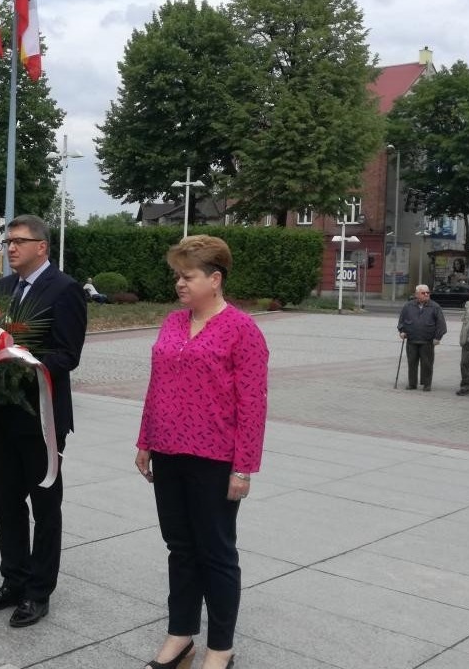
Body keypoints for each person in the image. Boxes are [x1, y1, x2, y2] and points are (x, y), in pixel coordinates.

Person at [135, 235, 268, 669]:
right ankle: (181, 637)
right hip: (168, 451)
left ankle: (221, 648)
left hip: (215, 458)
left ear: (215, 279)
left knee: (216, 552)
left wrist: (243, 468)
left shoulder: (242, 329)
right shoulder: (173, 322)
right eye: (177, 275)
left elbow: (253, 403)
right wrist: (145, 440)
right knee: (179, 547)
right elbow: (157, 385)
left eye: (188, 276)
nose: (179, 283)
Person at [0, 214, 87, 628]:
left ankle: (38, 592)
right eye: (8, 242)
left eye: (19, 241)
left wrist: (22, 363)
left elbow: (68, 354)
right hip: (5, 412)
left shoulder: (65, 289)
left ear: (42, 247)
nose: (11, 248)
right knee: (6, 502)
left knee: (45, 506)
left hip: (42, 416)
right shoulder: (4, 288)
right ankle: (13, 580)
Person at [397, 284, 447, 391]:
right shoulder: (408, 306)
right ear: (416, 294)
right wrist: (401, 331)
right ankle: (412, 384)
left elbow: (441, 324)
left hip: (427, 341)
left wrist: (438, 337)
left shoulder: (435, 307)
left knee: (427, 364)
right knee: (412, 363)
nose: (426, 294)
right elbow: (401, 321)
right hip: (412, 340)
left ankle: (427, 384)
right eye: (423, 293)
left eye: (428, 292)